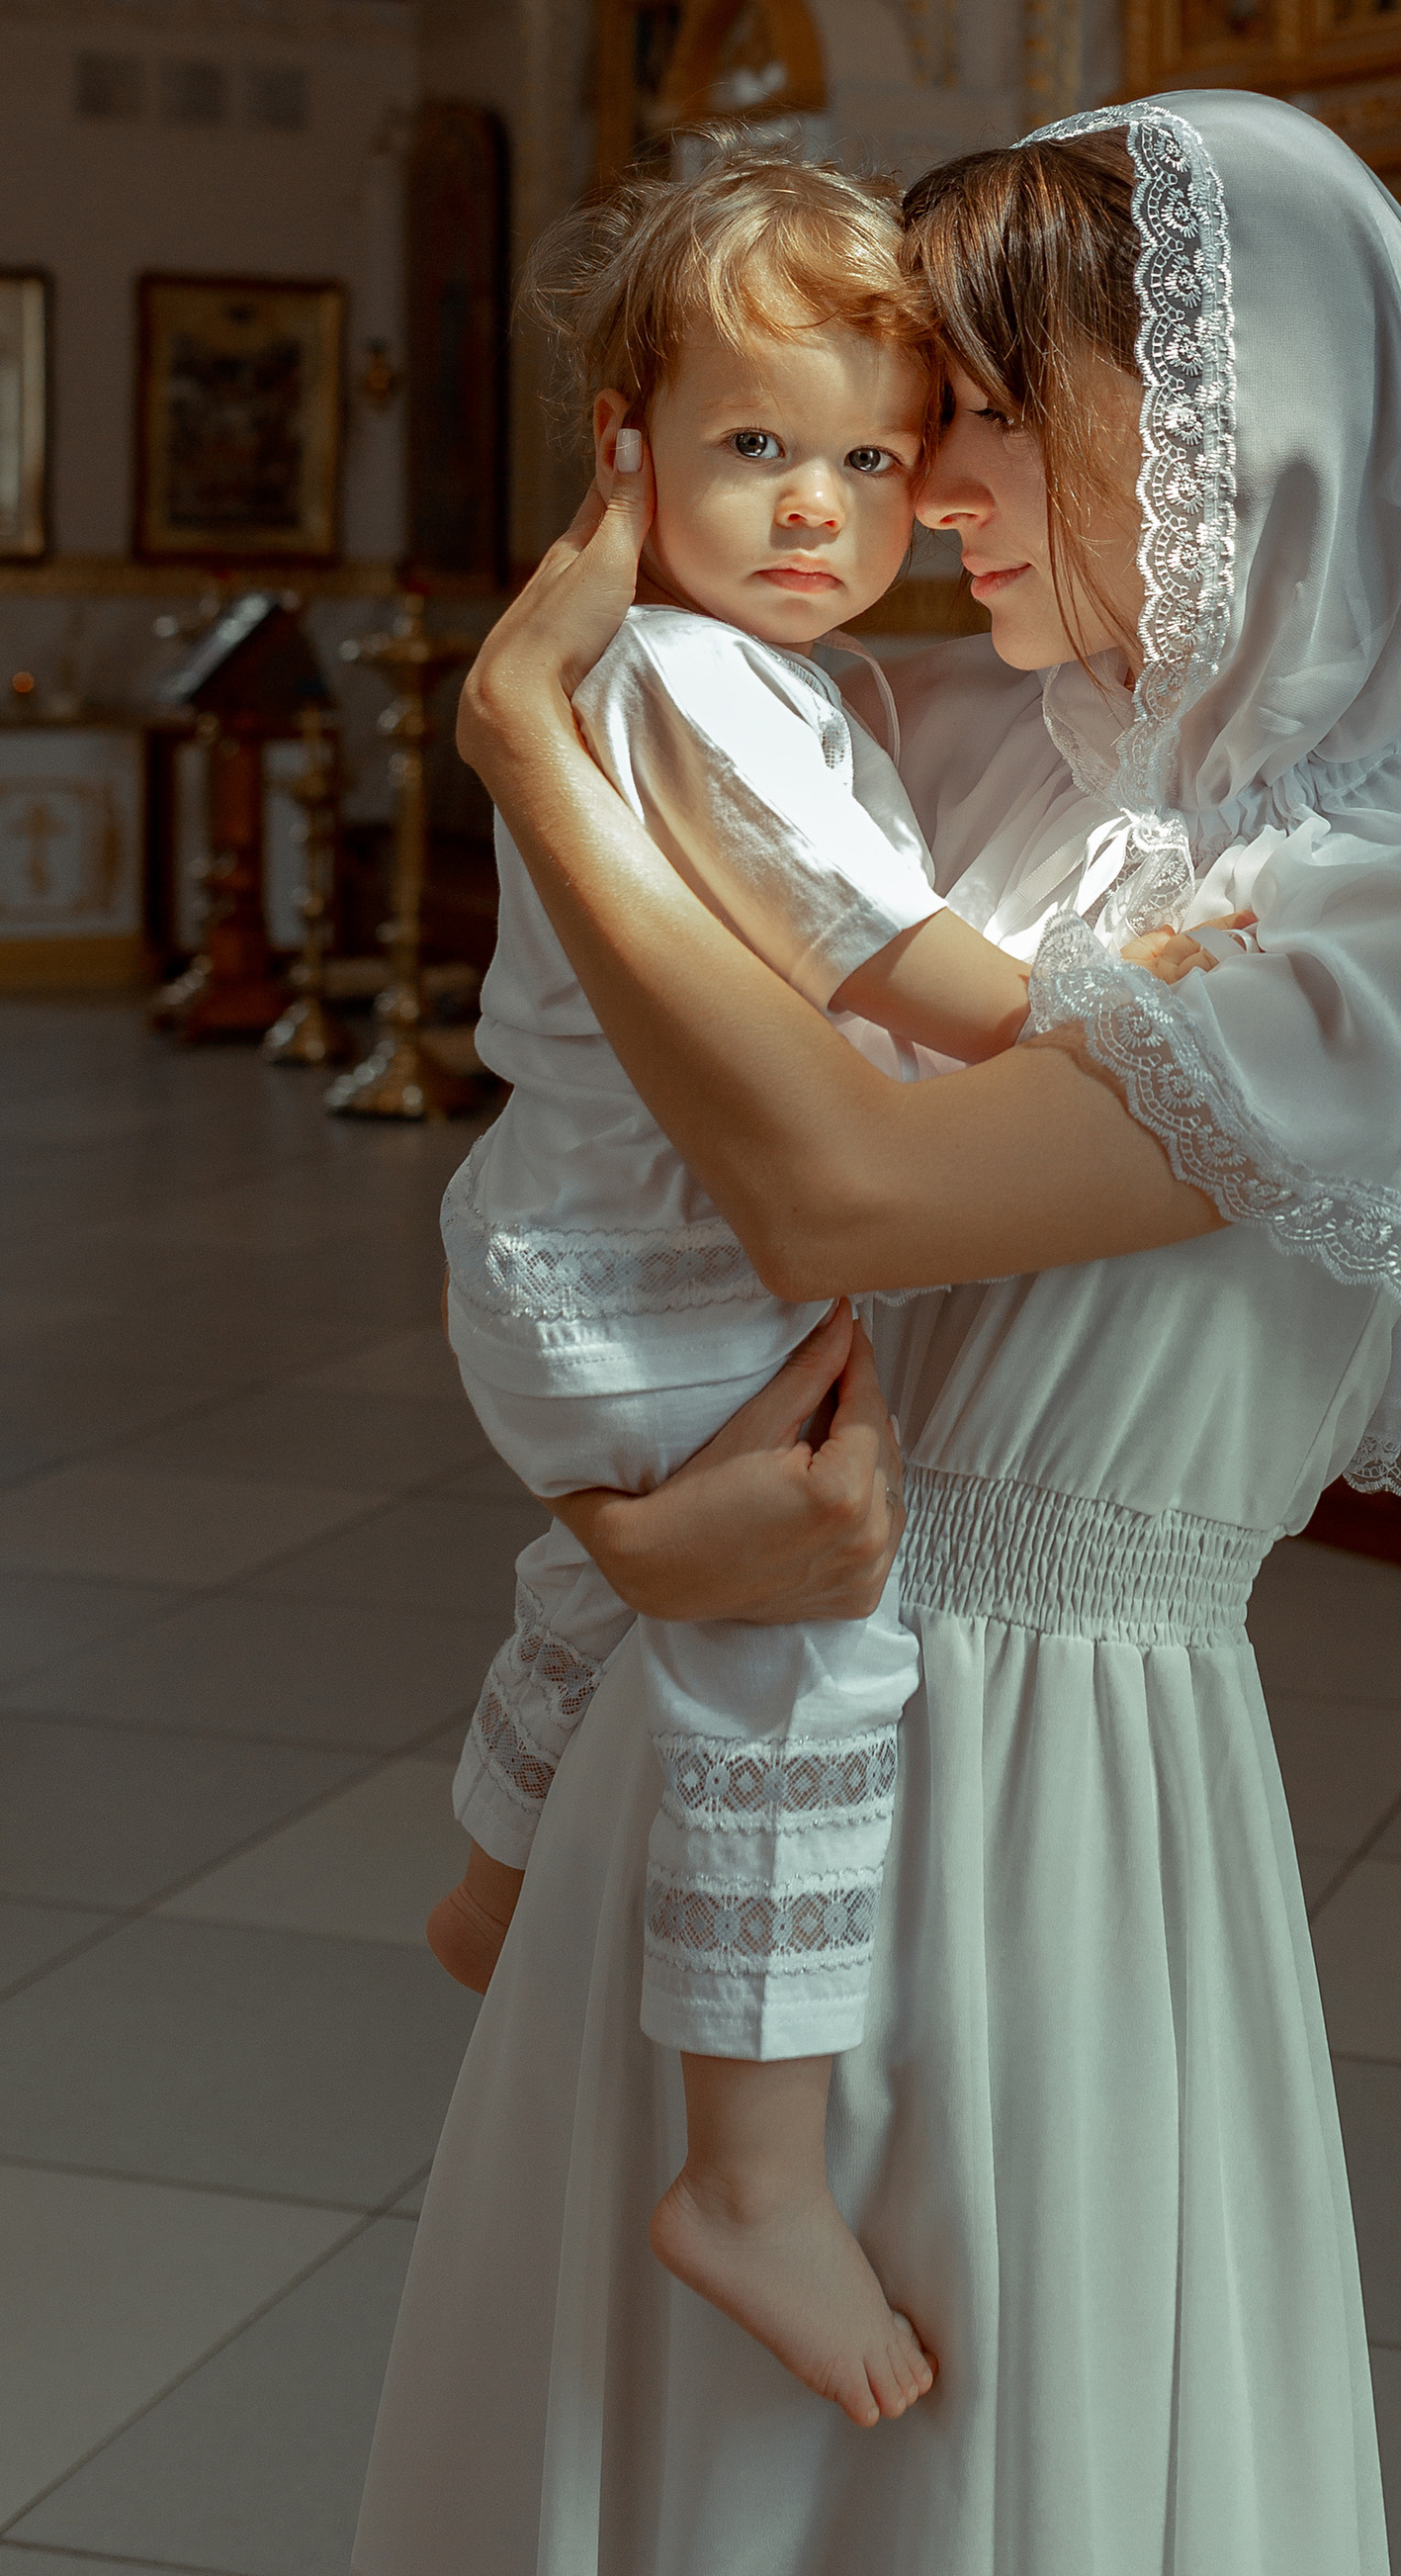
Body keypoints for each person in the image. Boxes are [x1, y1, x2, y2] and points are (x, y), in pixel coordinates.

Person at [357, 91, 1401, 2575]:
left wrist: (526, 749)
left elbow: (834, 1177)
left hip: (1062, 1777)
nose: (917, 484)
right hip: (730, 1706)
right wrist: (635, 1530)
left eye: (972, 410)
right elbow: (633, 1187)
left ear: (1208, 421)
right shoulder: (929, 733)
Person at [422, 146, 1220, 2428]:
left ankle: (496, 1863)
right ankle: (748, 2169)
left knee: (630, 1574)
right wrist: (1128, 980)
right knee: (798, 1640)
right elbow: (901, 968)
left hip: (583, 1253)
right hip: (658, 1258)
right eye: (756, 445)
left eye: (874, 455)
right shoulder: (703, 686)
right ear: (624, 462)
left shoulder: (760, 673)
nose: (822, 506)